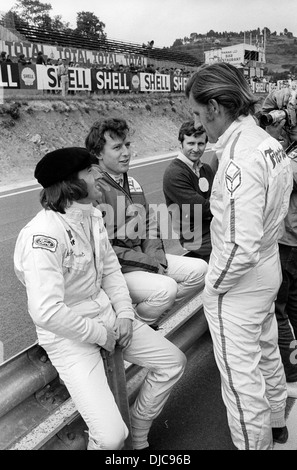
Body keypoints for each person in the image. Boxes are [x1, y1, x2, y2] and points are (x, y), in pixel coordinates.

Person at [13, 147, 186, 451]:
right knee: (109, 437)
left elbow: (110, 271)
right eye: (90, 172)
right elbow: (46, 312)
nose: (97, 176)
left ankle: (139, 434)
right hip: (70, 338)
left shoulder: (91, 215)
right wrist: (100, 334)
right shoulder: (43, 236)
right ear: (71, 184)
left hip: (109, 319)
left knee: (173, 362)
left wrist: (124, 315)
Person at [185, 62, 293, 450]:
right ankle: (278, 423)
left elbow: (238, 245)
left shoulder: (238, 158)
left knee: (239, 379)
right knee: (266, 352)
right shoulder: (265, 141)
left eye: (198, 114)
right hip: (268, 265)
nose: (199, 125)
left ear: (214, 107)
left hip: (242, 279)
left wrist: (214, 288)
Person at [85, 118, 208, 327]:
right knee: (165, 289)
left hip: (141, 259)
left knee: (201, 271)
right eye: (117, 147)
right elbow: (104, 249)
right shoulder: (93, 187)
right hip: (115, 271)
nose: (126, 152)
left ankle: (139, 321)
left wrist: (155, 257)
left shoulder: (130, 181)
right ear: (98, 154)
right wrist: (149, 263)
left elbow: (150, 224)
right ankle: (138, 328)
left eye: (127, 145)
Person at [263, 114, 297, 399]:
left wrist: (273, 142)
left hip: (288, 242)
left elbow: (282, 174)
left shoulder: (291, 156)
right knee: (294, 304)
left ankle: (291, 371)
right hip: (292, 242)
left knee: (280, 309)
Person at [163, 121, 215, 262]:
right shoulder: (175, 173)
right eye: (191, 143)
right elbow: (201, 208)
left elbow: (216, 198)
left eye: (201, 144)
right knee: (232, 248)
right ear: (181, 144)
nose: (196, 149)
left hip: (213, 228)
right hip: (194, 237)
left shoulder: (206, 169)